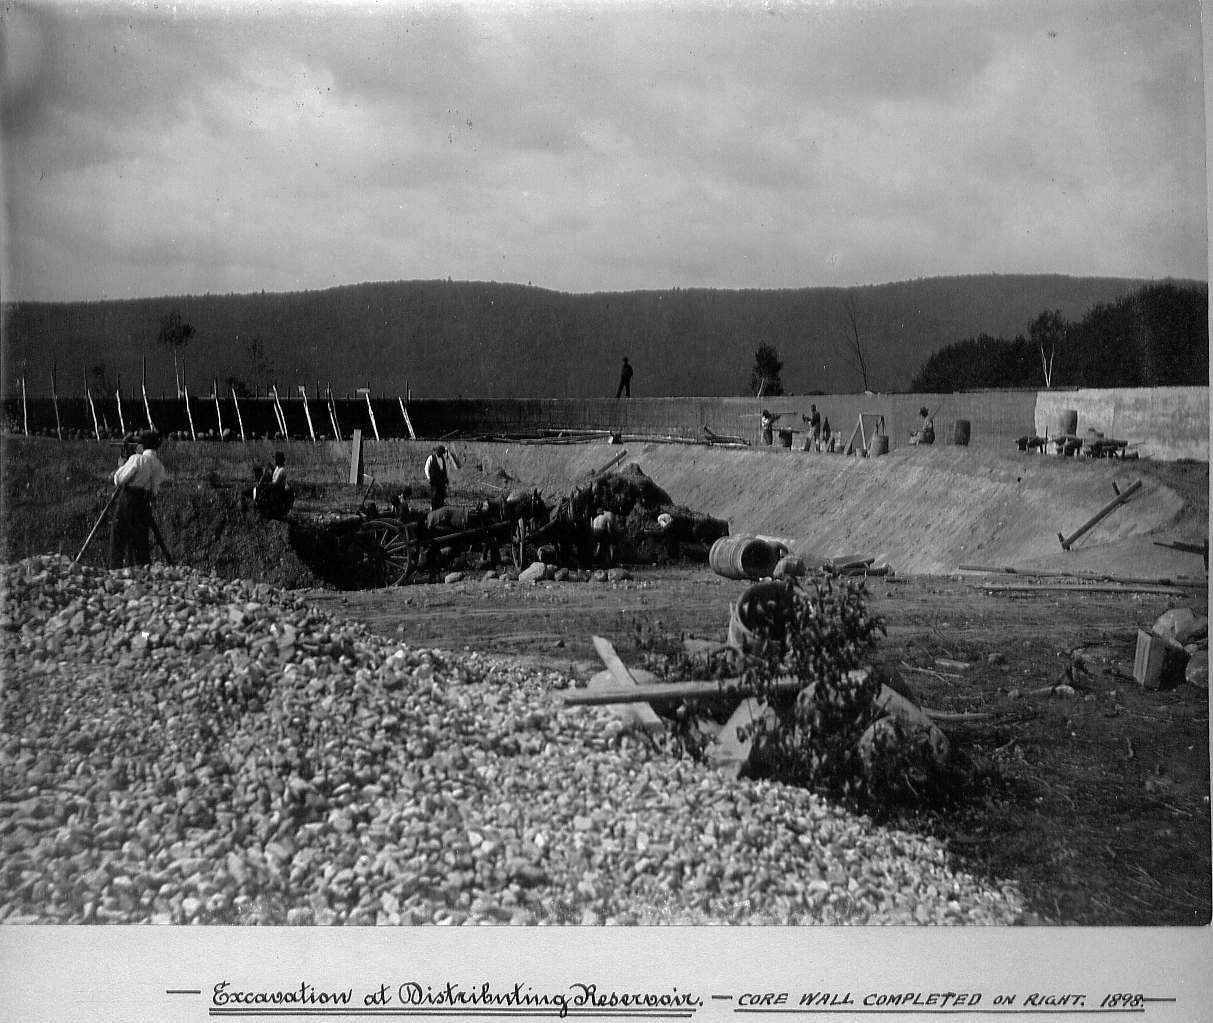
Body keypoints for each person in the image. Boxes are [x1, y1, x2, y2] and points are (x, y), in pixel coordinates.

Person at [109, 429, 168, 568]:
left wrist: (122, 466)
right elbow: (155, 489)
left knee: (118, 536)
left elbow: (119, 480)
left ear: (142, 445)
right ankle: (143, 571)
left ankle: (114, 570)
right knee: (141, 540)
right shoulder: (159, 465)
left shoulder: (138, 459)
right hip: (144, 502)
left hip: (128, 499)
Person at [424, 444, 449, 510]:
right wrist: (429, 478)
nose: (441, 454)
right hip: (434, 480)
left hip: (441, 481)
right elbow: (426, 468)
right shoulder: (431, 458)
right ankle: (433, 509)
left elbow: (444, 470)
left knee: (441, 496)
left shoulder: (442, 459)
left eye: (442, 453)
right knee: (434, 496)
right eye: (440, 452)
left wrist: (446, 478)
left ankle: (440, 509)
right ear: (437, 451)